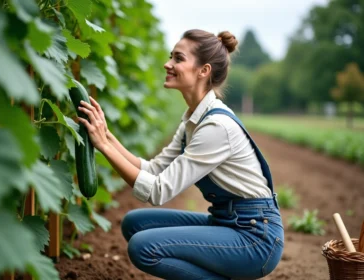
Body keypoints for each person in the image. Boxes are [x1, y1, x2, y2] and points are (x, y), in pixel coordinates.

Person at [78, 29, 284, 280]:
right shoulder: (193, 118)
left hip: (255, 239)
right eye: (170, 57)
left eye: (178, 58)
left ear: (203, 70)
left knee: (143, 247)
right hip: (227, 222)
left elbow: (157, 191)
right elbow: (154, 170)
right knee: (135, 223)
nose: (168, 64)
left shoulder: (215, 127)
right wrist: (107, 135)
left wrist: (104, 147)